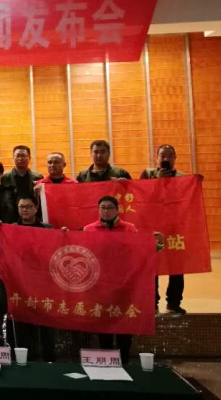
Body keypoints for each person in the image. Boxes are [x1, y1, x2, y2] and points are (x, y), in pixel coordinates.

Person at [83, 196, 164, 364]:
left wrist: (157, 244)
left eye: (109, 208)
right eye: (103, 208)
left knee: (125, 322)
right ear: (98, 209)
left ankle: (124, 359)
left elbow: (141, 250)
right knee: (103, 321)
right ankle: (107, 361)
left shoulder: (129, 228)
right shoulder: (89, 229)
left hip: (125, 283)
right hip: (101, 284)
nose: (106, 211)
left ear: (117, 210)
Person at [0, 197, 56, 362]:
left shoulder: (49, 230)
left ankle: (49, 361)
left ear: (36, 208)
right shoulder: (10, 228)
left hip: (43, 284)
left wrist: (63, 235)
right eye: (21, 207)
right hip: (19, 283)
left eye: (28, 206)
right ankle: (21, 359)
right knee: (21, 324)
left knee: (46, 325)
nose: (25, 210)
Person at [141, 144, 187, 315]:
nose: (166, 158)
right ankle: (152, 302)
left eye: (169, 155)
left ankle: (174, 303)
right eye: (162, 155)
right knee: (152, 267)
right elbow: (141, 198)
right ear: (157, 157)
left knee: (177, 267)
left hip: (175, 227)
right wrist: (157, 182)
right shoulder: (147, 174)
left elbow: (186, 201)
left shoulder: (182, 177)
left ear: (175, 158)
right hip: (152, 227)